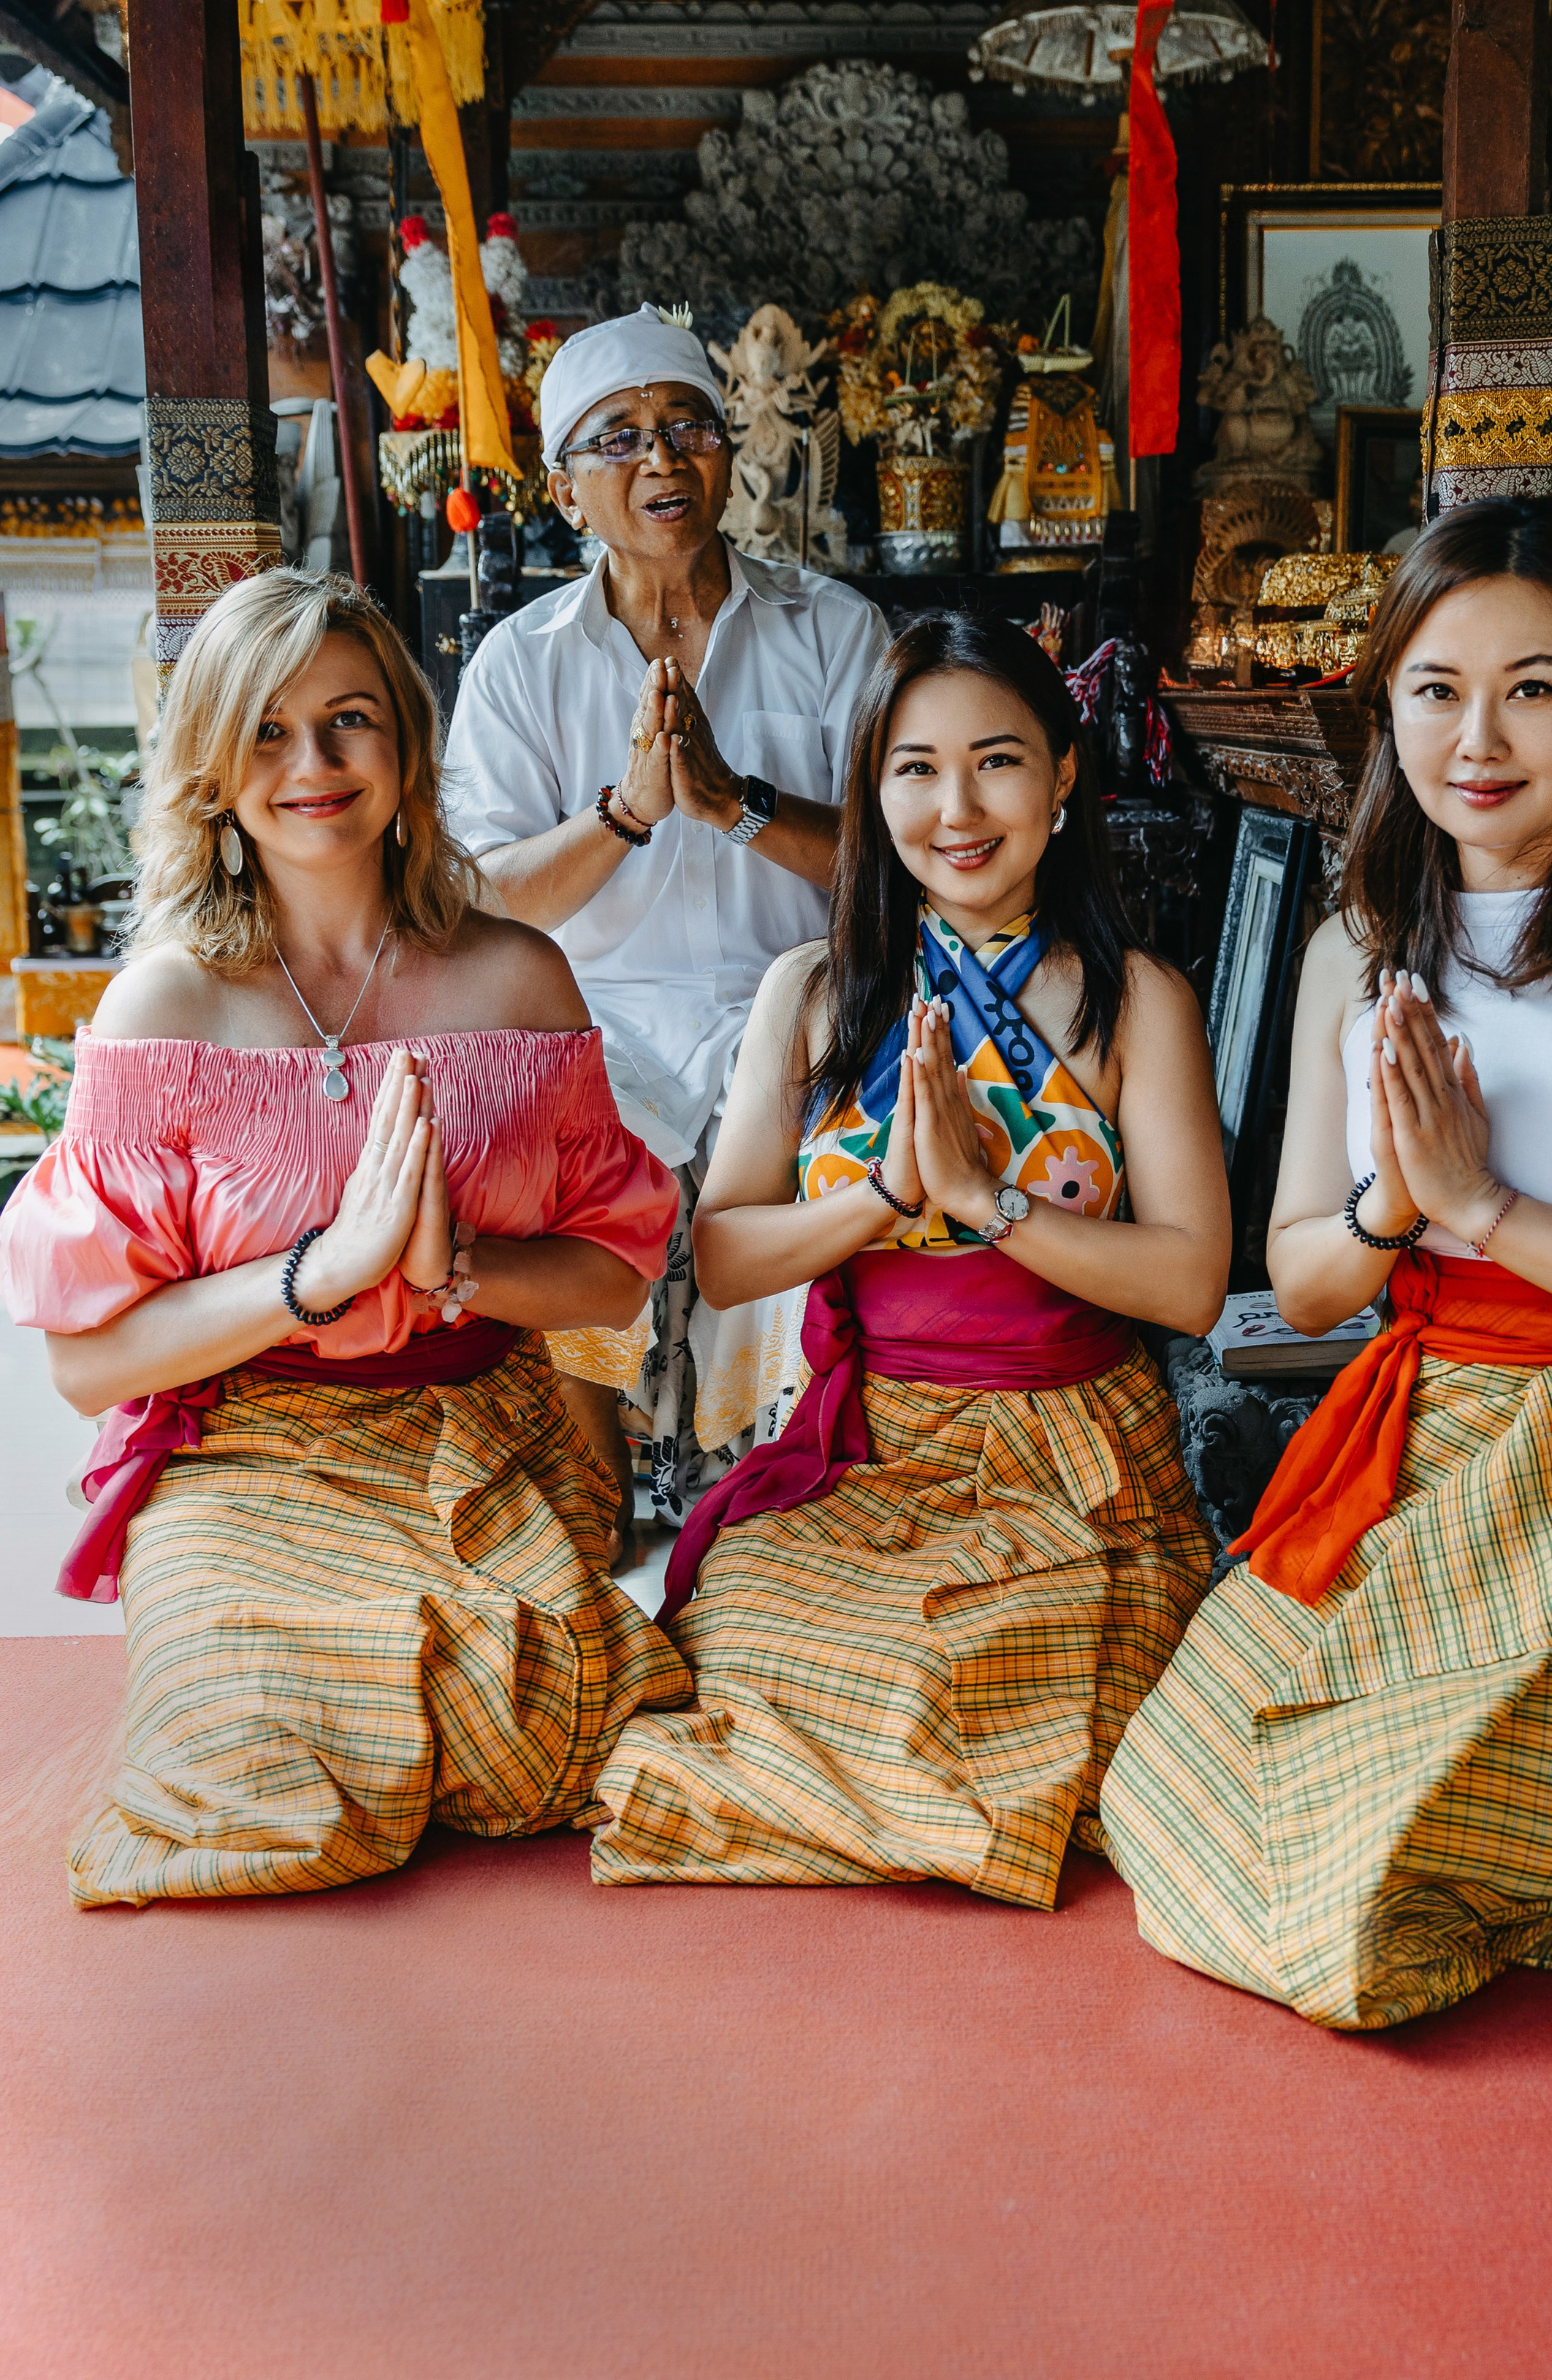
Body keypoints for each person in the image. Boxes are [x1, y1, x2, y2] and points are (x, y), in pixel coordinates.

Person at [1102, 495, 1552, 2028]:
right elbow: (1306, 1281)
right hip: (1435, 1448)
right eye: (1438, 688)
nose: (1480, 739)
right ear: (1387, 701)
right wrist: (1398, 1206)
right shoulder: (1355, 950)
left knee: (1391, 1842)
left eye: (1534, 686)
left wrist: (1484, 1205)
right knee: (1169, 1787)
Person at [0, 571, 691, 1907]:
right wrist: (317, 1275)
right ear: (214, 768)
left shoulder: (516, 977)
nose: (312, 763)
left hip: (482, 1437)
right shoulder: (165, 1007)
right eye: (267, 730)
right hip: (249, 1456)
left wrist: (462, 1270)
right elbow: (89, 1364)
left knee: (549, 1743)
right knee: (250, 1765)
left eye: (349, 720)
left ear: (407, 748)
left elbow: (617, 1272)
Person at [582, 614, 1229, 1907]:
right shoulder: (814, 991)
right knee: (748, 1626)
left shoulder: (1136, 998)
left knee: (970, 1665)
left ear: (1064, 774)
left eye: (998, 762)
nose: (958, 810)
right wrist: (885, 1196)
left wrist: (993, 1205)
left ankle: (892, 1785)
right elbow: (725, 1255)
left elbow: (1191, 1282)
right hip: (874, 1444)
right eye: (916, 769)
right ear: (873, 793)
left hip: (1070, 1454)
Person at [443, 303, 889, 1530]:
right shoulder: (520, 664)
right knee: (540, 1155)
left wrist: (739, 806)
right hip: (602, 1021)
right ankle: (595, 1499)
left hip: (793, 1003)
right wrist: (628, 814)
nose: (661, 458)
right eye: (620, 437)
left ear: (729, 453)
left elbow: (899, 857)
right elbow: (483, 893)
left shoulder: (835, 631)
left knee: (814, 1135)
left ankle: (775, 1493)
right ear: (563, 487)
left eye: (687, 425)